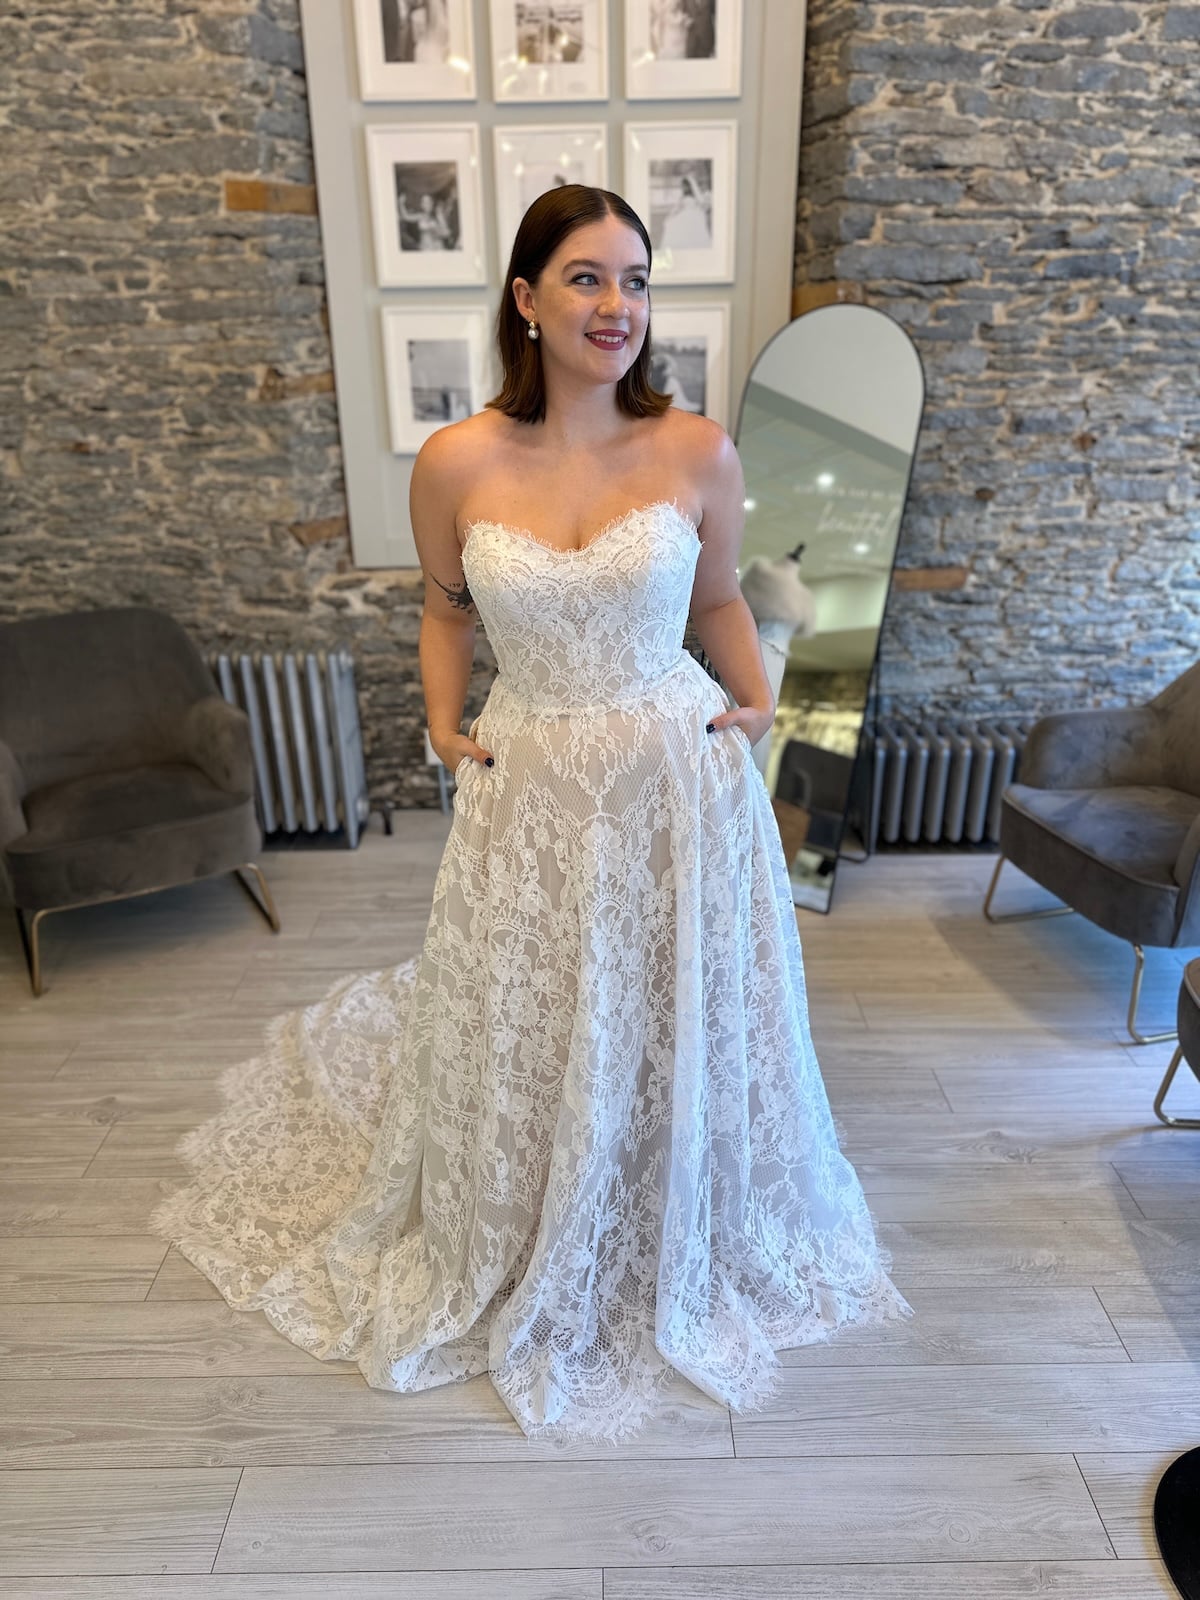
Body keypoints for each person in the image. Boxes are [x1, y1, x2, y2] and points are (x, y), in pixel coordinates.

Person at [149, 185, 911, 1444]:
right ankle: (524, 1208)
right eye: (586, 277)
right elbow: (446, 611)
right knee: (538, 996)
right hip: (534, 777)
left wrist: (759, 699)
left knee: (663, 995)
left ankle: (662, 1199)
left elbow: (720, 597)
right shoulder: (457, 461)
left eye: (637, 281)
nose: (619, 306)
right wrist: (444, 728)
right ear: (526, 297)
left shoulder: (696, 450)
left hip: (672, 775)